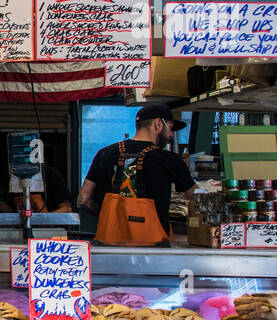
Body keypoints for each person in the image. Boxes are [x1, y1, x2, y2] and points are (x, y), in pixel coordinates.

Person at [78, 104, 195, 243]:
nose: (170, 135)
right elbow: (194, 196)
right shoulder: (170, 159)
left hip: (110, 245)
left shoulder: (104, 154)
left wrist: (111, 217)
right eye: (170, 128)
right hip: (153, 249)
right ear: (158, 124)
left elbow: (83, 199)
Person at [4, 165, 73, 214]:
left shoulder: (51, 174)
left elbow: (67, 209)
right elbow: (12, 210)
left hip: (49, 231)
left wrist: (43, 219)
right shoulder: (12, 178)